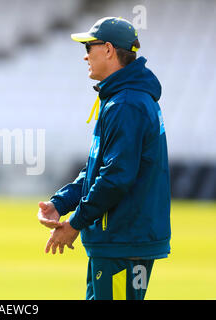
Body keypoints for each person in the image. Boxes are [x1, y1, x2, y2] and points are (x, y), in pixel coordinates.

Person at [37, 17, 171, 300]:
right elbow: (99, 168)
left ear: (109, 50)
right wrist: (60, 203)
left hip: (124, 241)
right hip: (118, 240)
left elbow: (116, 177)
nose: (85, 56)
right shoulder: (123, 99)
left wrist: (75, 224)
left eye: (89, 46)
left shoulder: (126, 104)